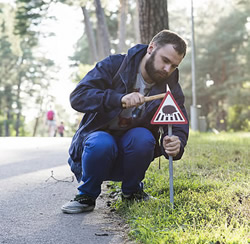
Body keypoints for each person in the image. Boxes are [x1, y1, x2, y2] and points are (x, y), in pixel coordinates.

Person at [61, 30, 189, 214]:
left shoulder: (170, 84)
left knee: (143, 137)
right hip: (97, 146)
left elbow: (178, 121)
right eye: (165, 61)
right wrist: (118, 99)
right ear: (151, 48)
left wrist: (178, 142)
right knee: (101, 142)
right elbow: (78, 97)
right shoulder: (114, 65)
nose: (167, 69)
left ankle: (132, 191)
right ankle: (86, 196)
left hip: (132, 149)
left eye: (174, 66)